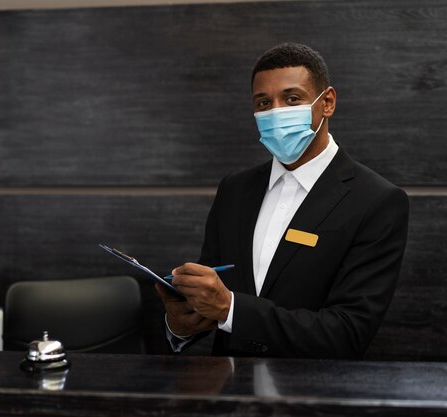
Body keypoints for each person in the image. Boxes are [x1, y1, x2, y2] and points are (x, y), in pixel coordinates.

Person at [155, 43, 409, 358]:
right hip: (228, 394)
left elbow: (349, 331)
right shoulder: (235, 189)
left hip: (312, 396)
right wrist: (181, 325)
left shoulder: (377, 200)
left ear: (327, 102)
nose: (276, 112)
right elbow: (213, 303)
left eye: (291, 99)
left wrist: (232, 310)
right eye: (264, 102)